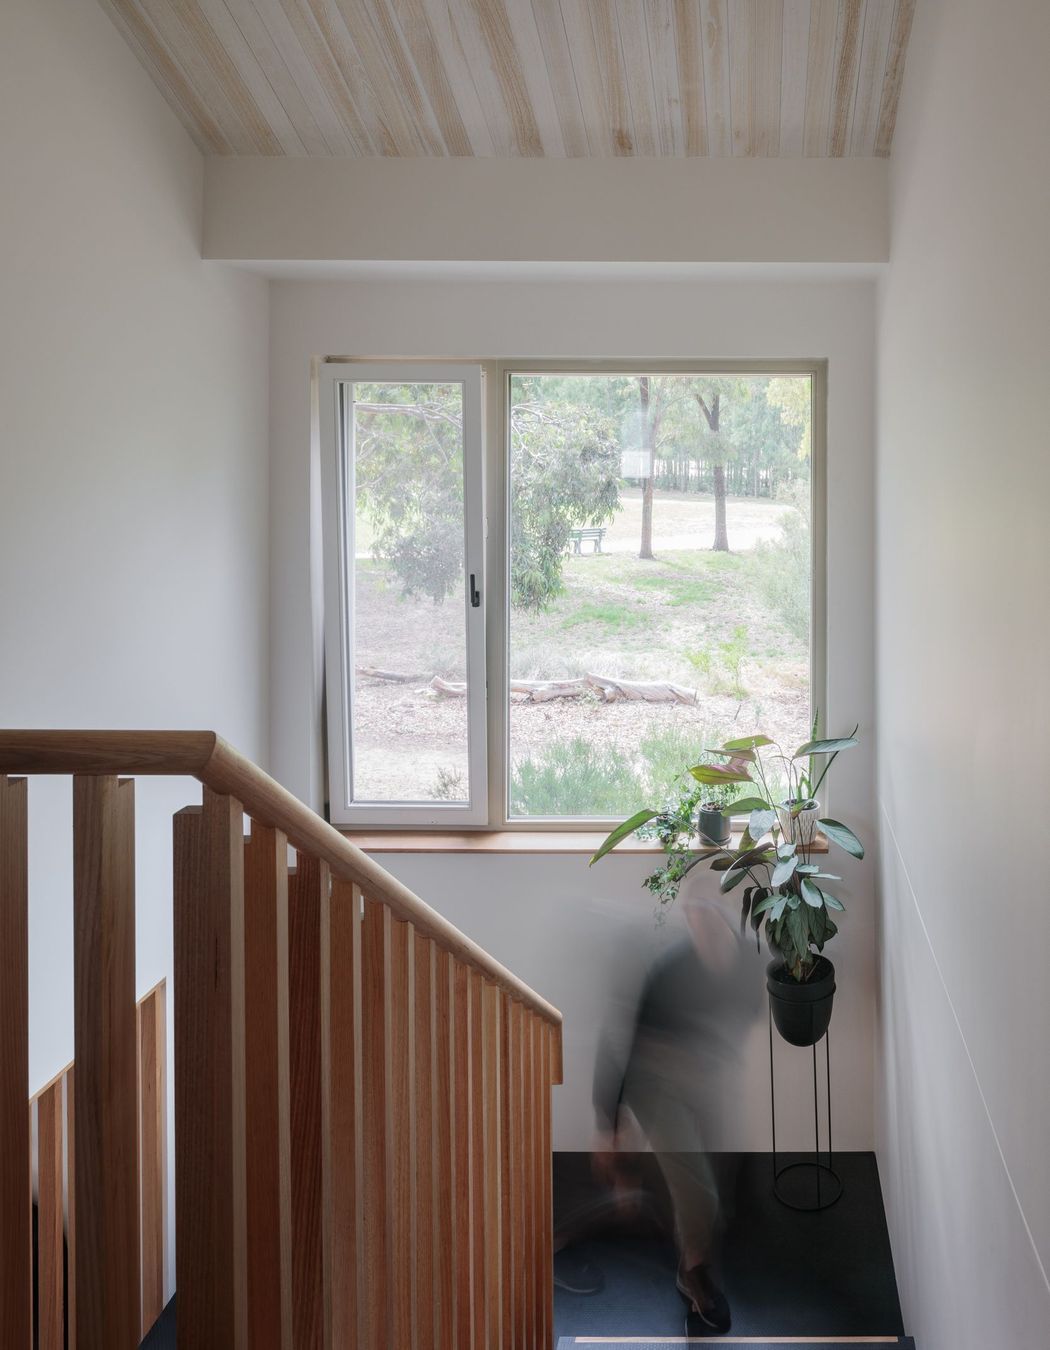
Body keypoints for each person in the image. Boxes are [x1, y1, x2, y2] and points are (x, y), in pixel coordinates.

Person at [587, 894, 762, 1334]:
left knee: (713, 1177)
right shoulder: (668, 971)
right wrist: (609, 1126)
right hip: (652, 1078)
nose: (709, 942)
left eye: (715, 931)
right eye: (698, 931)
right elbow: (620, 1047)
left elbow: (749, 1010)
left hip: (699, 1067)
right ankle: (694, 1276)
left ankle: (690, 1233)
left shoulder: (744, 963)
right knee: (699, 1189)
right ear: (691, 932)